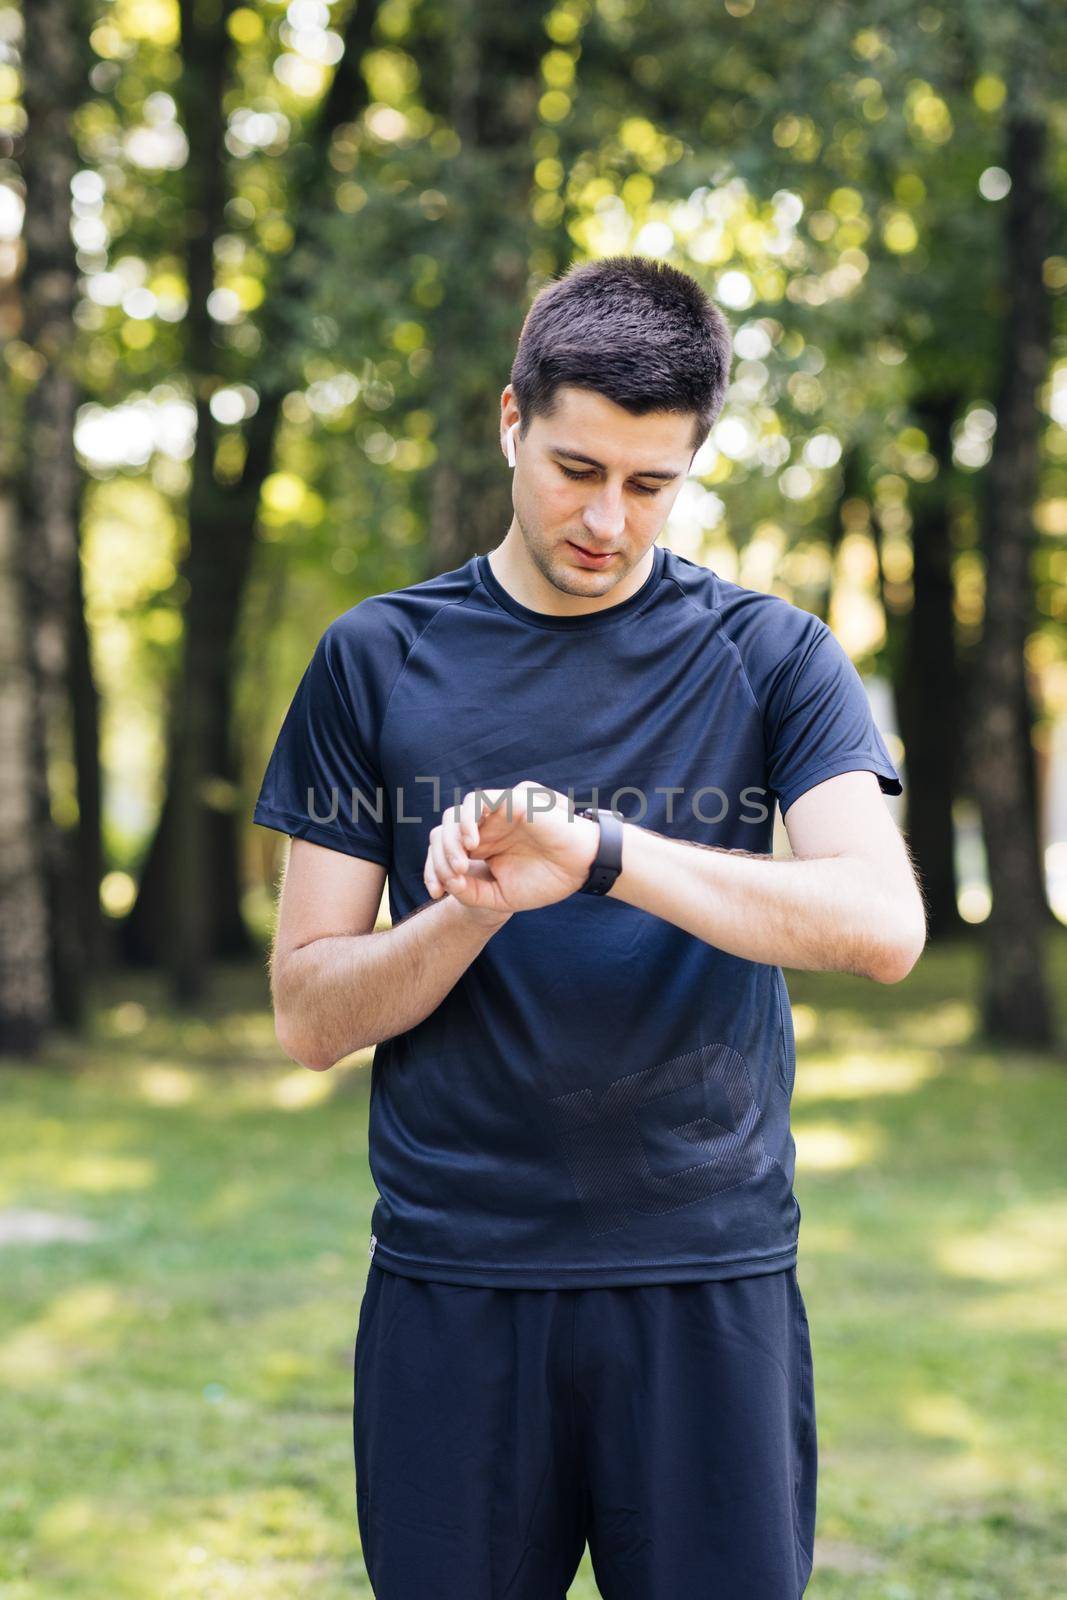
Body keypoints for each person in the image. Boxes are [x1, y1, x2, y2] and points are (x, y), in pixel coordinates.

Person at [252, 255, 927, 1599]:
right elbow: (308, 1015)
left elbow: (881, 922)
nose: (607, 520)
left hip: (707, 1277)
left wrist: (605, 854)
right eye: (576, 468)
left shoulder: (775, 656)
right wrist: (467, 913)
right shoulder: (374, 661)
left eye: (649, 484)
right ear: (511, 420)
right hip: (455, 1283)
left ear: (691, 468)